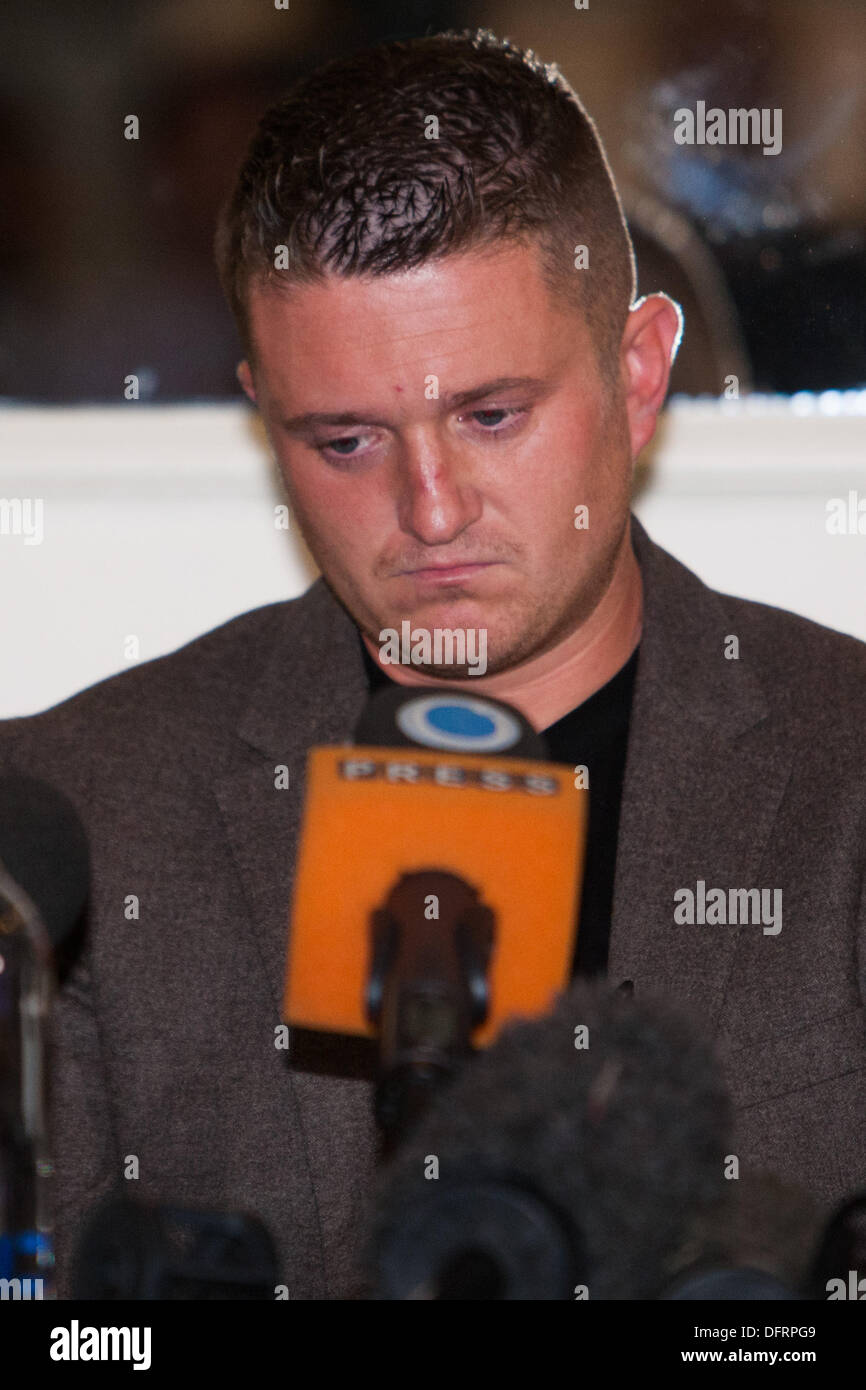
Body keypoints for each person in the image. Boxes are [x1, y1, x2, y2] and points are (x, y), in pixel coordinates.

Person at [2, 28, 865, 1300]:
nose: (431, 507)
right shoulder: (72, 821)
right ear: (264, 418)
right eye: (344, 439)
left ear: (636, 378)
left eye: (490, 415)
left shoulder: (841, 765)